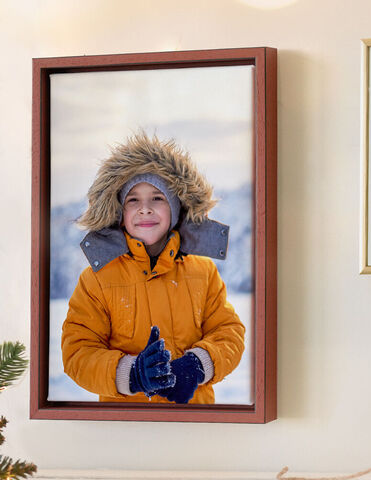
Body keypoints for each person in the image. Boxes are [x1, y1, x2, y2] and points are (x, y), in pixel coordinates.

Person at [61, 133, 245, 404]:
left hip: (194, 425)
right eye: (133, 200)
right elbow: (78, 352)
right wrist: (132, 374)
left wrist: (198, 365)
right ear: (119, 212)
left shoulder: (203, 272)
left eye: (157, 198)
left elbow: (229, 333)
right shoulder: (97, 280)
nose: (145, 209)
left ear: (175, 208)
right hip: (126, 430)